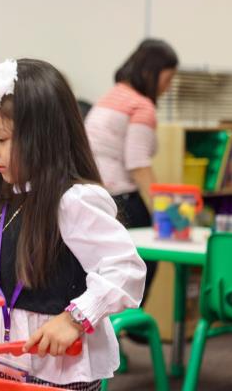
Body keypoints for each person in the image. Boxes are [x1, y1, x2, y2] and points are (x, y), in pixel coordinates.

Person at [0, 58, 146, 390]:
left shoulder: (74, 200)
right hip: (7, 363)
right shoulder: (10, 197)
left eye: (1, 139)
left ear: (42, 138)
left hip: (59, 372)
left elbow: (126, 269)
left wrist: (75, 320)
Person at [85, 39, 178, 304]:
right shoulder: (141, 107)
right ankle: (132, 322)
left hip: (96, 197)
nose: (168, 87)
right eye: (168, 78)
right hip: (122, 203)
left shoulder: (110, 97)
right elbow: (138, 165)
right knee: (145, 262)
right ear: (152, 71)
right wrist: (163, 216)